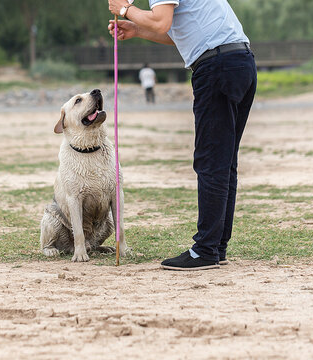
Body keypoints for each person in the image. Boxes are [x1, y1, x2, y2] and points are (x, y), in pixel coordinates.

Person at [108, 0, 257, 270]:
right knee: (224, 163)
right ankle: (216, 247)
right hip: (240, 61)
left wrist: (124, 9)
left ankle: (206, 250)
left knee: (211, 161)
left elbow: (161, 21)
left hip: (217, 66)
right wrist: (138, 30)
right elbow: (180, 32)